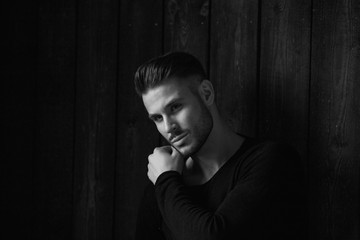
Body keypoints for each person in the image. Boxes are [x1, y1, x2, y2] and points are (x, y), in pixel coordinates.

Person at [134, 52, 306, 240]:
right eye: (157, 118)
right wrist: (165, 179)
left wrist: (166, 180)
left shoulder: (272, 160)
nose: (168, 128)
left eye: (175, 107)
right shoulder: (165, 178)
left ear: (206, 93)